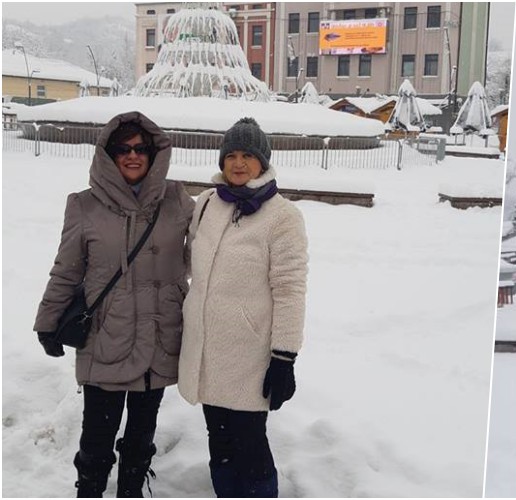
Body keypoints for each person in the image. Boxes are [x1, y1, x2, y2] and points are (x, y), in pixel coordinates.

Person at [33, 111, 195, 497]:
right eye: (122, 149)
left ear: (154, 153)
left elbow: (214, 245)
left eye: (141, 148)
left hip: (159, 337)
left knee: (142, 436)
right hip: (107, 338)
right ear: (108, 155)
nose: (133, 155)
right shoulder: (84, 206)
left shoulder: (177, 200)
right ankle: (89, 490)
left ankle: (131, 491)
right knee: (97, 439)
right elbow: (67, 270)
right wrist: (48, 320)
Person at [179, 117, 309, 498]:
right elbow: (188, 263)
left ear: (263, 162)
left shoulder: (283, 216)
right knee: (218, 442)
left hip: (249, 354)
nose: (238, 163)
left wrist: (284, 357)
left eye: (248, 156)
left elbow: (290, 289)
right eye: (231, 155)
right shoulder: (206, 203)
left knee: (250, 444)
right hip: (205, 349)